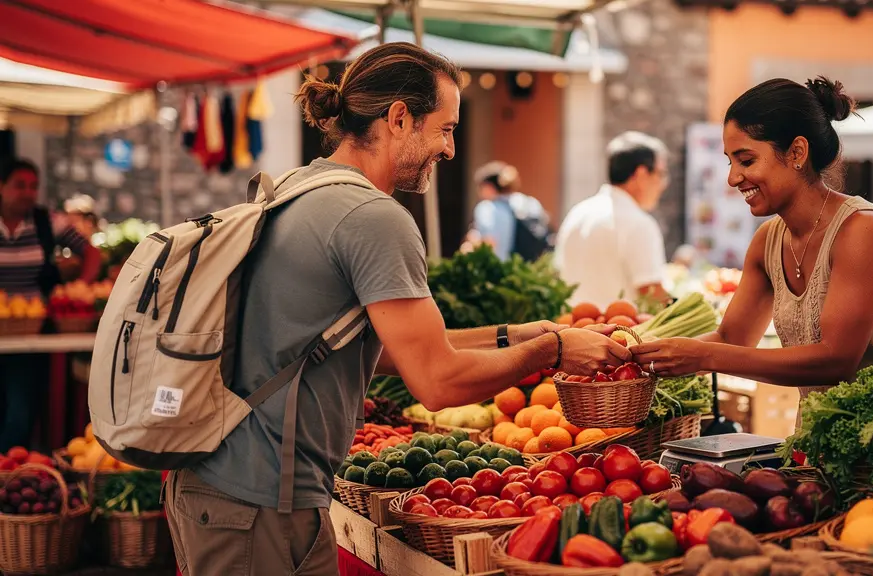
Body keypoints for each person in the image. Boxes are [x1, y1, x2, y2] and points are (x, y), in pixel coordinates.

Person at [162, 42, 629, 576]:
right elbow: (437, 382)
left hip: (224, 485)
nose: (451, 150)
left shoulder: (300, 185)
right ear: (400, 118)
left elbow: (380, 350)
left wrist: (512, 335)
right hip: (257, 501)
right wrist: (555, 348)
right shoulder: (373, 217)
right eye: (446, 129)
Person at [629, 77, 873, 421]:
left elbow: (836, 360)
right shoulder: (767, 241)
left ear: (797, 153)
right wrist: (642, 354)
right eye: (730, 162)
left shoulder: (864, 230)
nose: (732, 178)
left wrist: (704, 356)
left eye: (746, 160)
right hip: (820, 438)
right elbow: (732, 337)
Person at [0, 159, 101, 451]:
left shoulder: (47, 221)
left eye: (33, 186)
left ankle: (8, 469)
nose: (28, 193)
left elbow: (91, 252)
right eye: (20, 185)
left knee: (20, 409)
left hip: (32, 330)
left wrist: (80, 286)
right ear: (2, 187)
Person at [554, 131, 673, 310]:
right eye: (661, 174)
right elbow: (652, 293)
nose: (664, 184)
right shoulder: (638, 223)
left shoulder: (577, 213)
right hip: (618, 333)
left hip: (572, 329)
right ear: (641, 174)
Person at [470, 161, 552, 262]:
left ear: (489, 187)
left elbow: (490, 241)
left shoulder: (487, 208)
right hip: (530, 269)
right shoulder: (531, 203)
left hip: (501, 269)